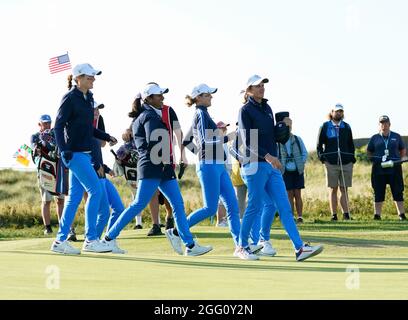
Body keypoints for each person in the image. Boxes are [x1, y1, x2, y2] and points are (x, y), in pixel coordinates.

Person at [102, 82, 212, 256]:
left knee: (177, 205)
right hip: (153, 167)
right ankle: (108, 239)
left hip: (162, 167)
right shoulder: (148, 116)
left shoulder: (149, 115)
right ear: (149, 98)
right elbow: (155, 142)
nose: (162, 98)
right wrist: (163, 164)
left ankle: (190, 245)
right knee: (138, 204)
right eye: (159, 95)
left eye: (162, 95)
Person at [238, 74, 323, 261]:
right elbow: (247, 140)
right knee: (254, 205)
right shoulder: (245, 111)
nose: (262, 88)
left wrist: (284, 128)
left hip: (272, 165)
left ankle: (299, 248)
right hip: (254, 164)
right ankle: (242, 246)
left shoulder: (267, 108)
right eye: (257, 86)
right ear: (249, 90)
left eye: (263, 85)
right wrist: (268, 156)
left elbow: (273, 136)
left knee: (283, 206)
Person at [51, 63, 118, 255]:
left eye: (93, 77)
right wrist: (64, 151)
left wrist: (106, 136)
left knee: (73, 199)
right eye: (90, 77)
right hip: (73, 154)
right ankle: (90, 239)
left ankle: (60, 241)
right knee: (96, 190)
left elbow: (88, 128)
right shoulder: (70, 98)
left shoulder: (89, 98)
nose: (93, 79)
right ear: (78, 78)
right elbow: (58, 126)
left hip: (85, 153)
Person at [181, 83, 241, 253]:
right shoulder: (200, 114)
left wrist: (199, 153)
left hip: (218, 165)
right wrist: (228, 137)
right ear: (198, 98)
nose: (211, 97)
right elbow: (206, 142)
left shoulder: (204, 114)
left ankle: (240, 245)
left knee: (232, 205)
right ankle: (179, 231)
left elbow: (187, 141)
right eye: (207, 95)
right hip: (209, 165)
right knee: (210, 208)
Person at [316, 103, 356, 221]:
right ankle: (334, 215)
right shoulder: (325, 126)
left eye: (341, 111)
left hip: (346, 162)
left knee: (344, 189)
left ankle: (346, 214)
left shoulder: (346, 126)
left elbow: (350, 144)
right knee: (333, 189)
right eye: (337, 111)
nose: (339, 113)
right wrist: (323, 158)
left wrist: (352, 158)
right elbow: (319, 145)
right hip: (331, 162)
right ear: (332, 112)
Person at [367, 115, 407, 220]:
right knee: (378, 191)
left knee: (398, 191)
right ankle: (377, 215)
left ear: (389, 124)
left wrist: (401, 160)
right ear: (379, 125)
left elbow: (402, 149)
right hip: (379, 169)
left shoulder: (396, 136)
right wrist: (373, 160)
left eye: (386, 123)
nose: (384, 125)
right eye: (382, 123)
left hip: (394, 168)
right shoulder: (374, 138)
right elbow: (369, 151)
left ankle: (401, 214)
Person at [30, 114, 65, 235]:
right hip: (44, 170)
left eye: (49, 123)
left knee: (60, 200)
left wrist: (51, 139)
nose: (47, 125)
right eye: (45, 123)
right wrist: (41, 142)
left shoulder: (55, 134)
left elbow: (59, 147)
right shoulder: (35, 136)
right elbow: (34, 151)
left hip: (57, 169)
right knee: (46, 200)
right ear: (39, 124)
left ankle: (63, 226)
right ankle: (47, 227)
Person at [277, 115, 308, 223]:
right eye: (286, 125)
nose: (289, 127)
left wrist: (300, 163)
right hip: (285, 170)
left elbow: (304, 153)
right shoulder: (278, 140)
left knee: (298, 194)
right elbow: (277, 155)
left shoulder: (297, 139)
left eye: (290, 125)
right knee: (289, 194)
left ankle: (300, 216)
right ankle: (290, 217)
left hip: (297, 170)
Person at [215, 121, 231, 227]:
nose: (225, 129)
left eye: (225, 128)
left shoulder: (224, 141)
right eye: (223, 128)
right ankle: (220, 221)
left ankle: (222, 220)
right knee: (222, 198)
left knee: (223, 197)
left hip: (225, 170)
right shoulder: (218, 141)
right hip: (222, 170)